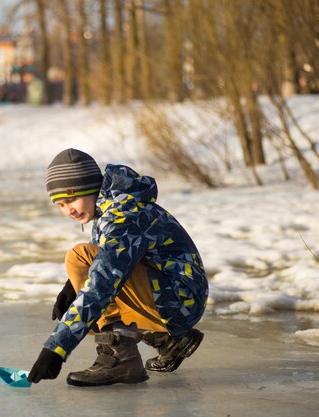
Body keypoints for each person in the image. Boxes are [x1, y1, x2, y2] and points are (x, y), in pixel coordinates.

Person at [27, 148, 209, 386]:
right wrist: (71, 287)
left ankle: (120, 357)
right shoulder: (110, 210)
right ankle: (170, 341)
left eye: (71, 200)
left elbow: (102, 282)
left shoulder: (123, 215)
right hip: (175, 297)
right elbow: (107, 258)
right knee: (86, 282)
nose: (68, 210)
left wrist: (56, 349)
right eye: (60, 205)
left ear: (89, 187)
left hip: (179, 299)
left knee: (79, 258)